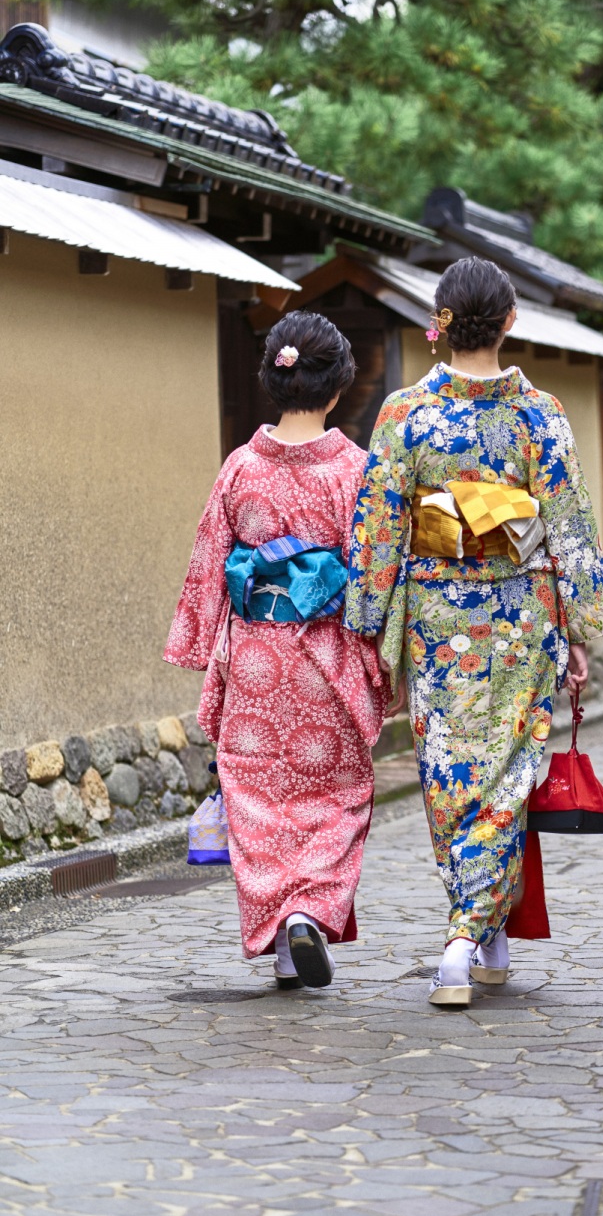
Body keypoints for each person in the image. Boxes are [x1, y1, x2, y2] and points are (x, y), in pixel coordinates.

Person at [345, 256, 603, 1007]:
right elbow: (567, 531)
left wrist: (370, 627)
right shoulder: (540, 413)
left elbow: (378, 530)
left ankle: (474, 930)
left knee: (450, 777)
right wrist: (581, 630)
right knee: (501, 778)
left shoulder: (405, 413)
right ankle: (470, 938)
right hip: (519, 619)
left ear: (439, 320)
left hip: (437, 620)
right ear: (509, 320)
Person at [165, 310, 387, 990]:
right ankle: (309, 915)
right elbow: (375, 574)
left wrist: (198, 642)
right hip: (327, 657)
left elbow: (210, 560)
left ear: (275, 377)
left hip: (257, 658)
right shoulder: (355, 470)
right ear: (339, 384)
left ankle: (287, 936)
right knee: (337, 796)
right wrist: (385, 654)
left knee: (259, 800)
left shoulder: (241, 467)